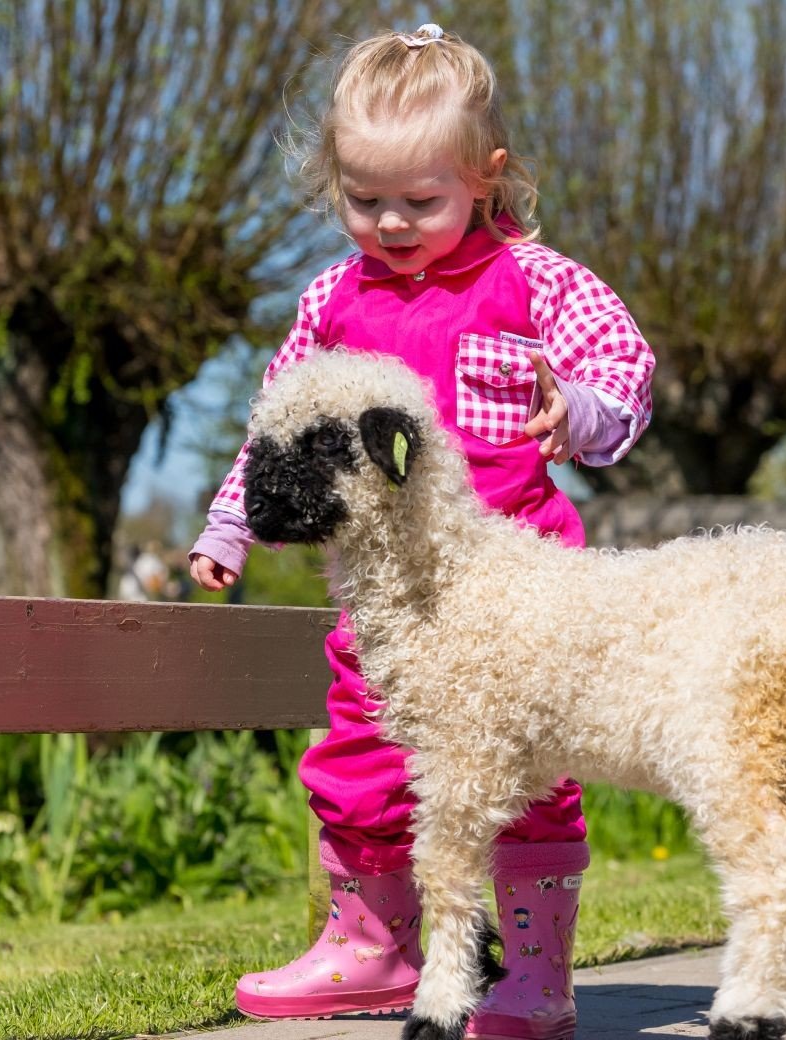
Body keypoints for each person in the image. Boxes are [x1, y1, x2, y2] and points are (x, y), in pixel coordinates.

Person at [188, 23, 655, 1040]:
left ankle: (535, 967)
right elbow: (279, 421)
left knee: (530, 761)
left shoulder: (537, 281)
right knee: (362, 749)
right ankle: (374, 944)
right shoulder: (332, 299)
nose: (391, 222)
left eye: (419, 199)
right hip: (388, 594)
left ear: (485, 177)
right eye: (365, 201)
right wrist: (231, 521)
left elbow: (623, 368)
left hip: (520, 579)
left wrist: (575, 409)